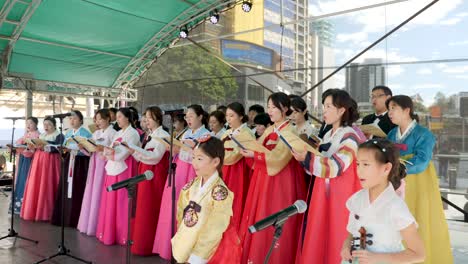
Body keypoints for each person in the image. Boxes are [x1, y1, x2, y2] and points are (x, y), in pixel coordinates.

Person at [292, 89, 363, 264]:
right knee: (320, 235)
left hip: (340, 197)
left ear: (341, 110)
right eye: (324, 106)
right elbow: (320, 166)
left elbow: (336, 166)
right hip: (323, 193)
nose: (324, 110)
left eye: (328, 106)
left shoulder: (350, 136)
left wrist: (307, 158)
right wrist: (306, 159)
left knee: (336, 237)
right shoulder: (328, 134)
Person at [239, 92, 306, 264]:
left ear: (284, 108)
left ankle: (276, 257)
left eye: (273, 107)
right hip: (264, 177)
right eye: (268, 107)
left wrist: (254, 153)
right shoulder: (270, 129)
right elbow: (259, 148)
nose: (270, 111)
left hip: (281, 180)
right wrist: (249, 149)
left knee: (275, 213)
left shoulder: (290, 130)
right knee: (261, 212)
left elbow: (279, 158)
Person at [386, 95, 453, 263]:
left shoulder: (424, 134)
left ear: (407, 110)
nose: (389, 113)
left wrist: (396, 166)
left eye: (393, 108)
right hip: (395, 182)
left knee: (417, 219)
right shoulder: (391, 133)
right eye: (389, 109)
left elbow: (422, 161)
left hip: (418, 183)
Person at [340, 139, 425, 263]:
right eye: (358, 164)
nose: (359, 171)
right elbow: (352, 233)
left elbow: (418, 254)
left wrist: (377, 258)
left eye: (366, 165)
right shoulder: (356, 199)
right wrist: (346, 246)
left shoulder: (396, 206)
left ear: (386, 168)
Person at [153, 104, 211, 260]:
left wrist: (190, 149)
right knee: (173, 205)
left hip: (194, 172)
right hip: (179, 170)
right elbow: (179, 151)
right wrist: (173, 146)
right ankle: (169, 247)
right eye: (187, 117)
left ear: (200, 117)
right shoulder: (185, 133)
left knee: (190, 208)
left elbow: (206, 156)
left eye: (191, 116)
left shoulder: (207, 134)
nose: (188, 119)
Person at [171, 135, 240, 264]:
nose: (194, 163)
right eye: (193, 158)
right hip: (187, 244)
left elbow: (215, 228)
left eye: (200, 159)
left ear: (215, 162)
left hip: (207, 253)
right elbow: (181, 215)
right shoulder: (191, 186)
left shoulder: (220, 192)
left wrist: (198, 255)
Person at [125, 106, 170, 255]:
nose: (146, 121)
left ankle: (149, 245)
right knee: (142, 207)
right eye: (145, 118)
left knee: (150, 208)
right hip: (145, 171)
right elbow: (143, 157)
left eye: (149, 118)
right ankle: (141, 243)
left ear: (157, 118)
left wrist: (136, 149)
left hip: (154, 175)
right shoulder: (149, 135)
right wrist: (133, 151)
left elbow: (155, 158)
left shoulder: (163, 135)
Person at [96, 107, 140, 245]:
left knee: (121, 202)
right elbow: (110, 148)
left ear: (128, 118)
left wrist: (107, 153)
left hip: (124, 169)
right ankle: (109, 233)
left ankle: (122, 235)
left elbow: (123, 154)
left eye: (120, 116)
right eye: (118, 117)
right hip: (112, 168)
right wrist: (105, 152)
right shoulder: (118, 133)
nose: (118, 119)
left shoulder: (133, 133)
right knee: (110, 201)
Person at [77, 109, 116, 236]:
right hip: (94, 163)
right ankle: (89, 222)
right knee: (92, 191)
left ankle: (98, 223)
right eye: (96, 119)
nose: (98, 122)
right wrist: (84, 147)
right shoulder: (96, 133)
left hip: (105, 165)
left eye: (100, 119)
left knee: (99, 191)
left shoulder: (113, 133)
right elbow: (91, 151)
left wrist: (102, 149)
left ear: (108, 119)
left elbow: (113, 151)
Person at [51, 110, 92, 228]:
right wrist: (63, 149)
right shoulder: (68, 133)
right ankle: (64, 217)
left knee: (77, 189)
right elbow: (65, 146)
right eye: (71, 119)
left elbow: (89, 150)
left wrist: (79, 149)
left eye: (74, 118)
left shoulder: (86, 133)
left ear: (81, 120)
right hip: (69, 161)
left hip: (80, 164)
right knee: (66, 188)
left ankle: (76, 218)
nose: (72, 120)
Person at [21, 117, 64, 221]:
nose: (46, 126)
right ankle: (35, 210)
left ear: (54, 125)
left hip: (51, 162)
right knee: (37, 184)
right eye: (44, 124)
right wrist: (33, 146)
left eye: (48, 124)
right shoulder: (42, 135)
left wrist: (46, 146)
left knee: (48, 184)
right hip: (38, 160)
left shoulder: (59, 135)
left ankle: (48, 212)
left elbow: (59, 148)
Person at [221, 102, 254, 230]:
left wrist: (219, 158)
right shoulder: (227, 132)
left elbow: (236, 156)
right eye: (227, 116)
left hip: (238, 172)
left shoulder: (247, 133)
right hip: (224, 170)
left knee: (235, 202)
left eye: (232, 116)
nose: (228, 119)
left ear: (241, 116)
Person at [12, 117, 40, 214]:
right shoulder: (26, 134)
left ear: (36, 124)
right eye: (27, 123)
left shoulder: (38, 135)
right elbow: (19, 142)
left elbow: (35, 149)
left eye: (31, 123)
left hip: (31, 160)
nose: (28, 125)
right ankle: (19, 206)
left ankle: (27, 206)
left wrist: (27, 148)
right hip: (23, 159)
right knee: (20, 181)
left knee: (26, 181)